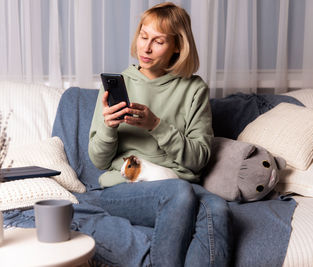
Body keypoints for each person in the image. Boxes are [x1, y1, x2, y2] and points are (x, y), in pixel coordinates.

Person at [89, 2, 231, 266]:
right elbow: (98, 161)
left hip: (182, 184)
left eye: (159, 41)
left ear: (178, 46)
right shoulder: (120, 83)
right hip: (125, 187)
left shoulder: (194, 89)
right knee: (177, 193)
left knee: (218, 209)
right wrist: (109, 128)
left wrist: (156, 125)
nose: (146, 47)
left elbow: (199, 159)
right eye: (143, 37)